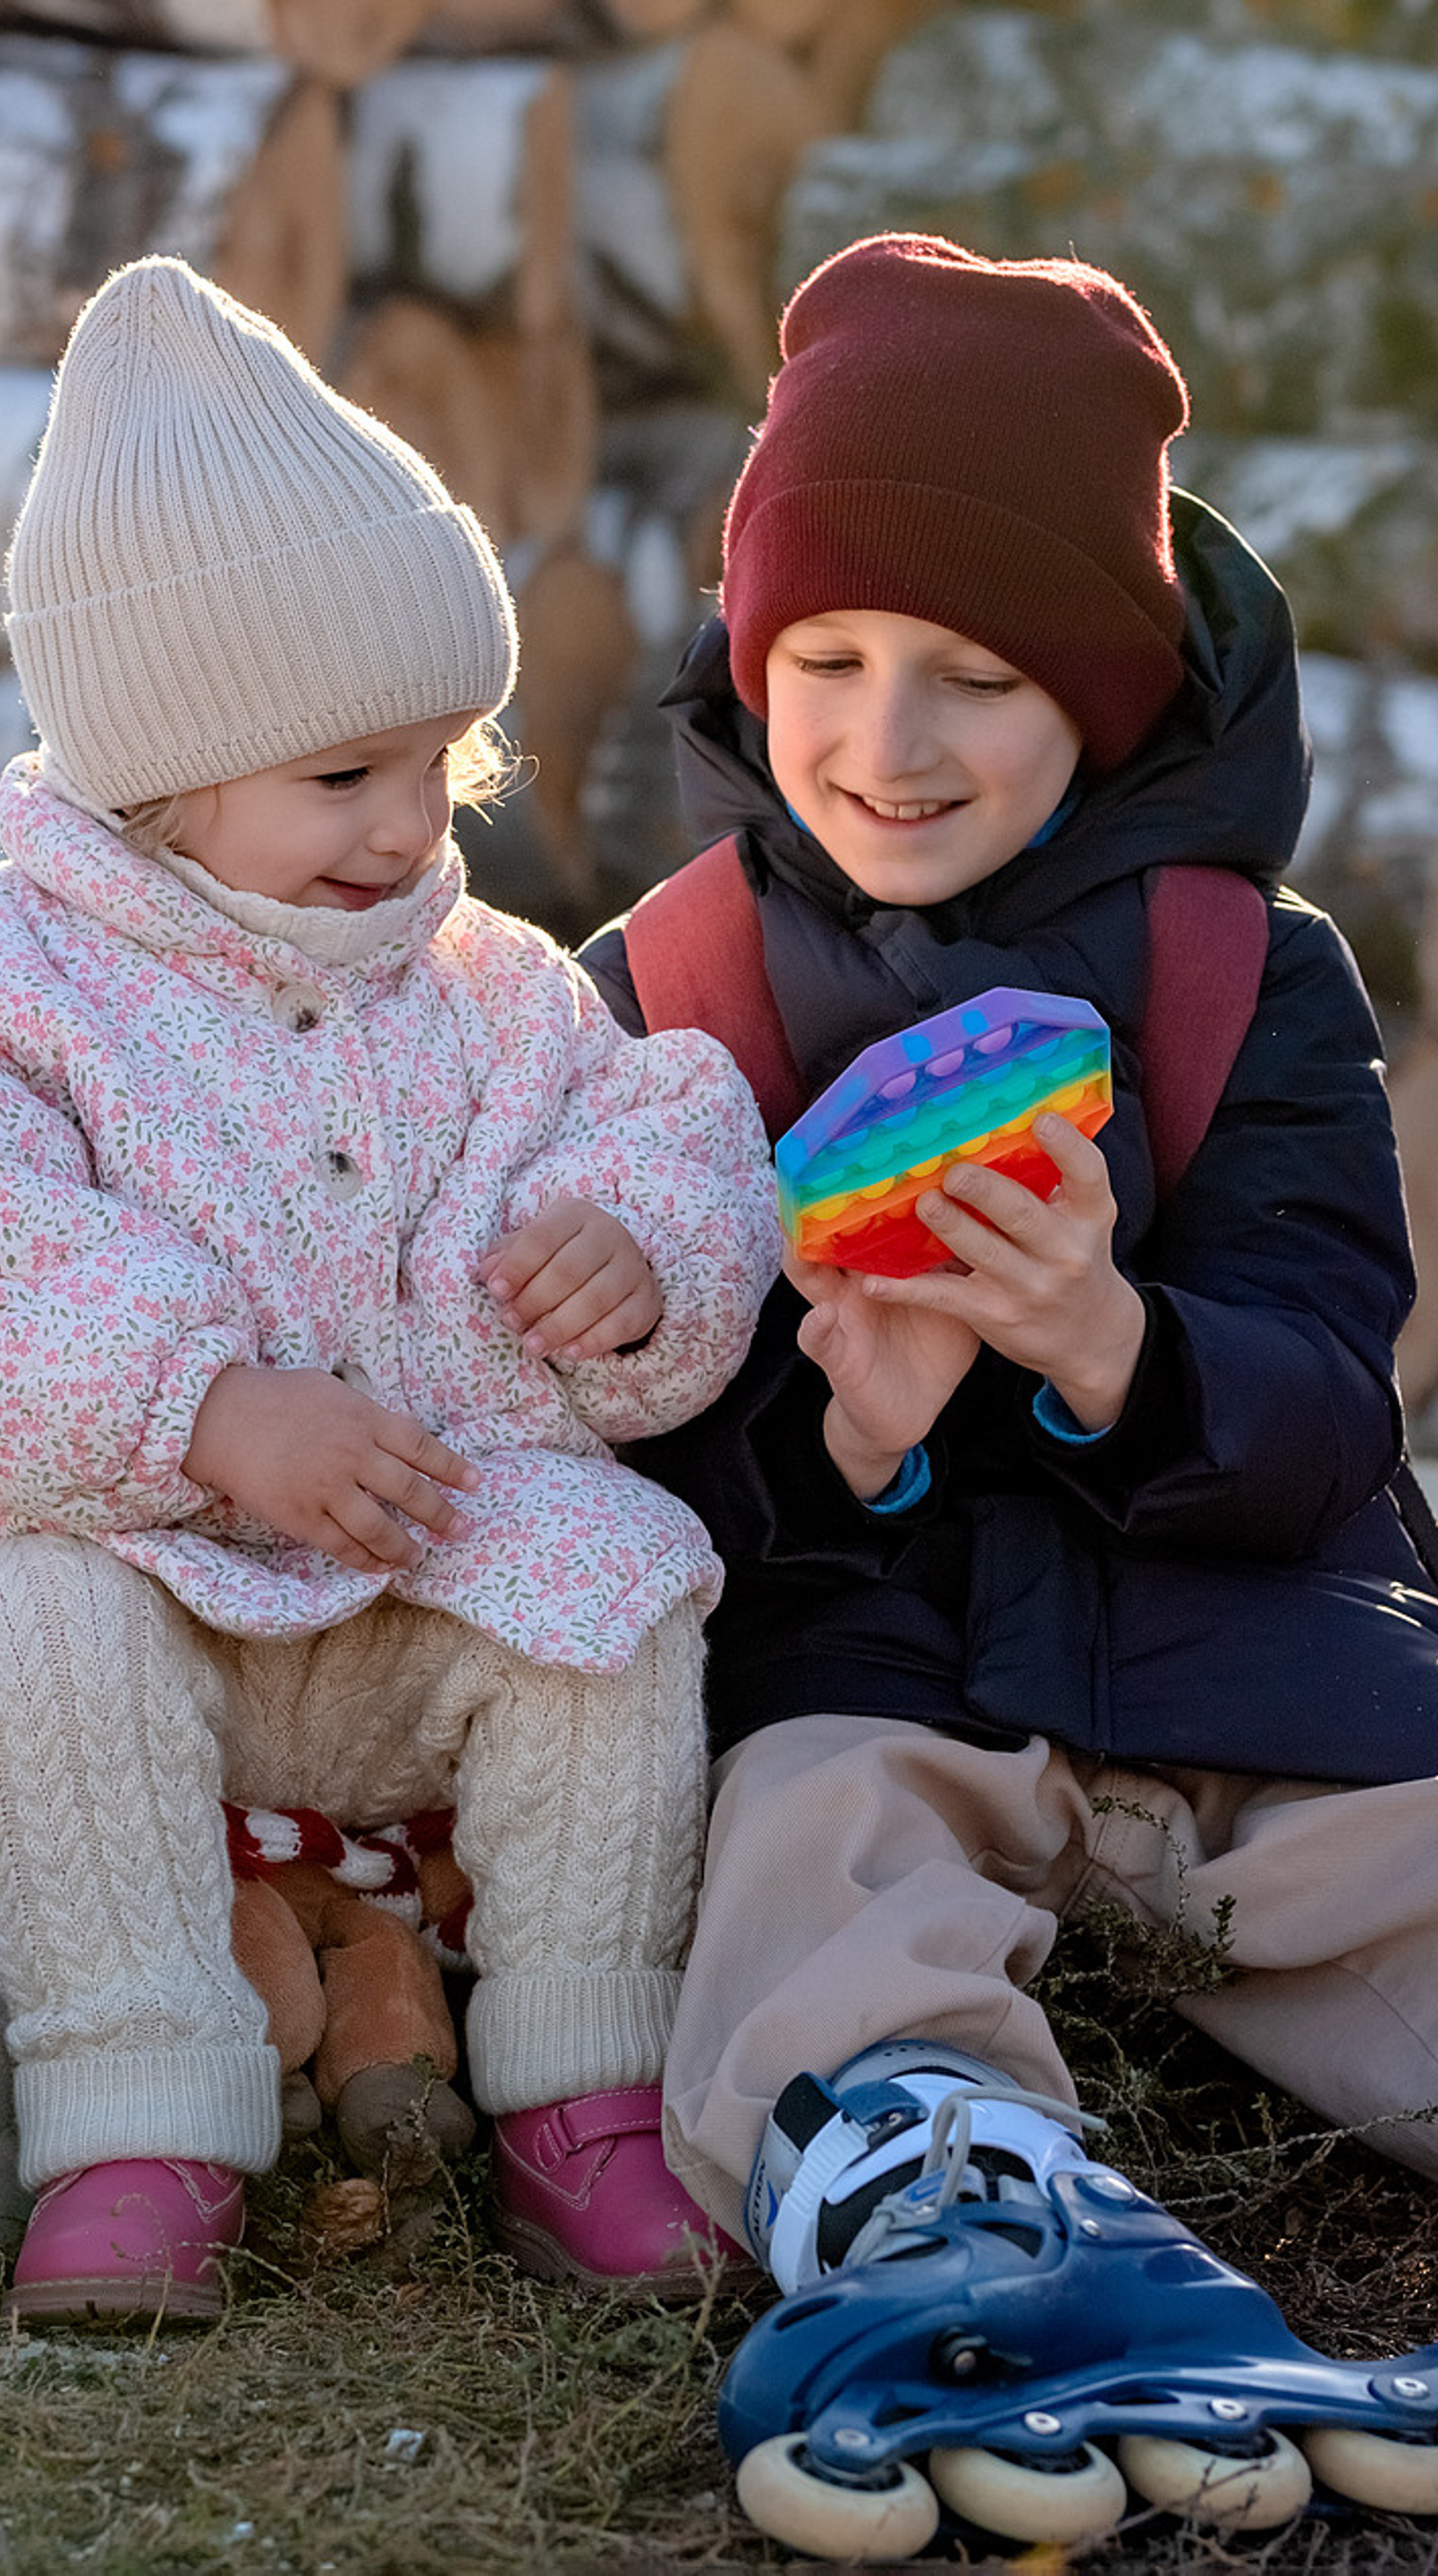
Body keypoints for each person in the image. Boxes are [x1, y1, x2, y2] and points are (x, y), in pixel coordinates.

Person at [576, 231, 1438, 2346]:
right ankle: (953, 2222)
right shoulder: (649, 1010)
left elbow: (1328, 1398)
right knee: (814, 1877)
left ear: (1095, 689)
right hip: (867, 1676)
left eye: (980, 677)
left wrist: (1117, 1347)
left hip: (1260, 1691)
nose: (887, 737)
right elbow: (592, 1480)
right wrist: (846, 1433)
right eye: (825, 657)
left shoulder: (1240, 976)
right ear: (748, 656)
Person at [0, 255, 780, 2325]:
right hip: (157, 1562)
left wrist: (641, 1257)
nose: (408, 825)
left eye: (442, 760)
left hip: (437, 1557)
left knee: (616, 1589)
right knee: (35, 1614)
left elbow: (663, 1128)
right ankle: (139, 2103)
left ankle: (581, 2087)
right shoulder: (32, 974)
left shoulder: (489, 990)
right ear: (155, 768)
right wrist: (200, 1409)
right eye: (341, 776)